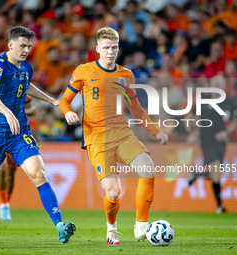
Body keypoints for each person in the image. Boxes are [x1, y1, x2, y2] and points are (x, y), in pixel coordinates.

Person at [0, 26, 75, 244]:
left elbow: (28, 87)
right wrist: (8, 112)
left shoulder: (26, 67)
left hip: (19, 132)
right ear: (10, 45)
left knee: (39, 173)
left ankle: (60, 226)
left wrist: (52, 100)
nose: (26, 50)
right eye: (22, 45)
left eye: (29, 46)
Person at [59, 27, 168, 245]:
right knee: (114, 192)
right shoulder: (84, 71)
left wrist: (156, 131)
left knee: (148, 168)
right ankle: (111, 228)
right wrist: (68, 112)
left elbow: (135, 108)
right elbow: (64, 101)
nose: (110, 52)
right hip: (96, 138)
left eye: (114, 48)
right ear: (97, 48)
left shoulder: (125, 75)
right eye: (106, 48)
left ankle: (141, 227)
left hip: (121, 133)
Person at [0, 87, 36, 222]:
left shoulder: (19, 83)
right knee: (2, 170)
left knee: (11, 173)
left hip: (16, 134)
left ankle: (6, 203)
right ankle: (3, 205)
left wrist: (14, 112)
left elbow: (32, 109)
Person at [187, 76, 237, 214]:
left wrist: (226, 132)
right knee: (215, 170)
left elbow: (236, 118)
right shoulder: (203, 102)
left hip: (221, 142)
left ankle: (198, 174)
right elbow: (191, 118)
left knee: (216, 174)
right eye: (214, 83)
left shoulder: (228, 103)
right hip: (207, 140)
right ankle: (220, 206)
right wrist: (194, 131)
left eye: (219, 83)